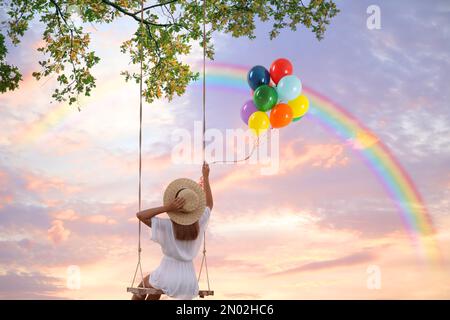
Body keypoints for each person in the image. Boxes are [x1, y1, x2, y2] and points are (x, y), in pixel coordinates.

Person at [132, 162, 213, 300]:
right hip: (189, 280)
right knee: (154, 290)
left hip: (167, 273)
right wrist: (206, 177)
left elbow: (140, 215)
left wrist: (167, 207)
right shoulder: (199, 223)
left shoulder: (167, 226)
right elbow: (210, 204)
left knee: (141, 288)